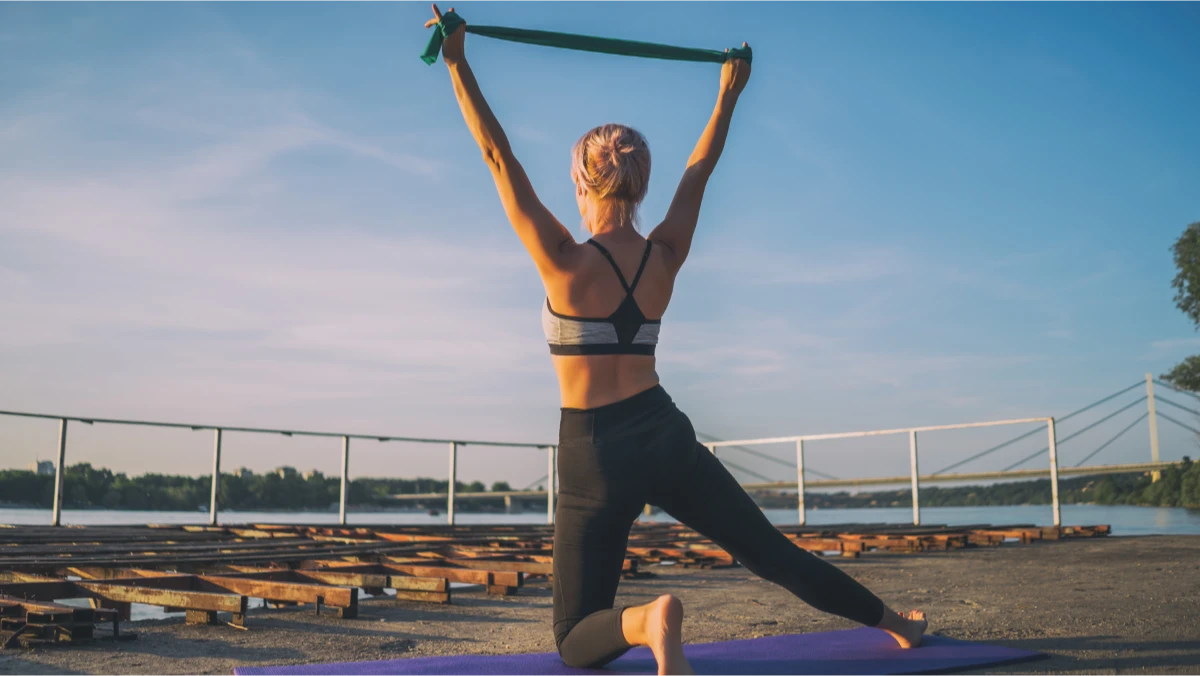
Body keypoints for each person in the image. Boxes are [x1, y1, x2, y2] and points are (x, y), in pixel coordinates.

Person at [424, 5, 928, 674]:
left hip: (593, 449)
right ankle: (898, 624)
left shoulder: (561, 259)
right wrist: (729, 93)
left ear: (581, 180)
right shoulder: (664, 256)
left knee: (576, 638)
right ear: (638, 183)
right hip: (663, 431)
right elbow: (700, 170)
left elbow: (496, 155)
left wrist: (458, 63)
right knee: (769, 553)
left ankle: (645, 620)